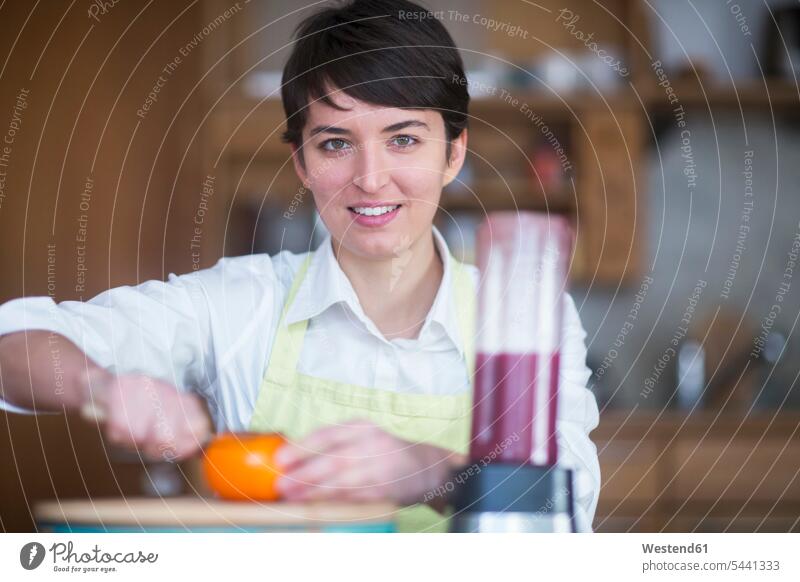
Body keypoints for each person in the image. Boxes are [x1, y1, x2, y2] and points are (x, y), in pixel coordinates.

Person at [0, 0, 600, 532]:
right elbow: (12, 345)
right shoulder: (240, 302)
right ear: (303, 164)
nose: (370, 178)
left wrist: (430, 471)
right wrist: (99, 385)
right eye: (336, 143)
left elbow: (565, 510)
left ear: (454, 153)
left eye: (404, 139)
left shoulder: (521, 319)